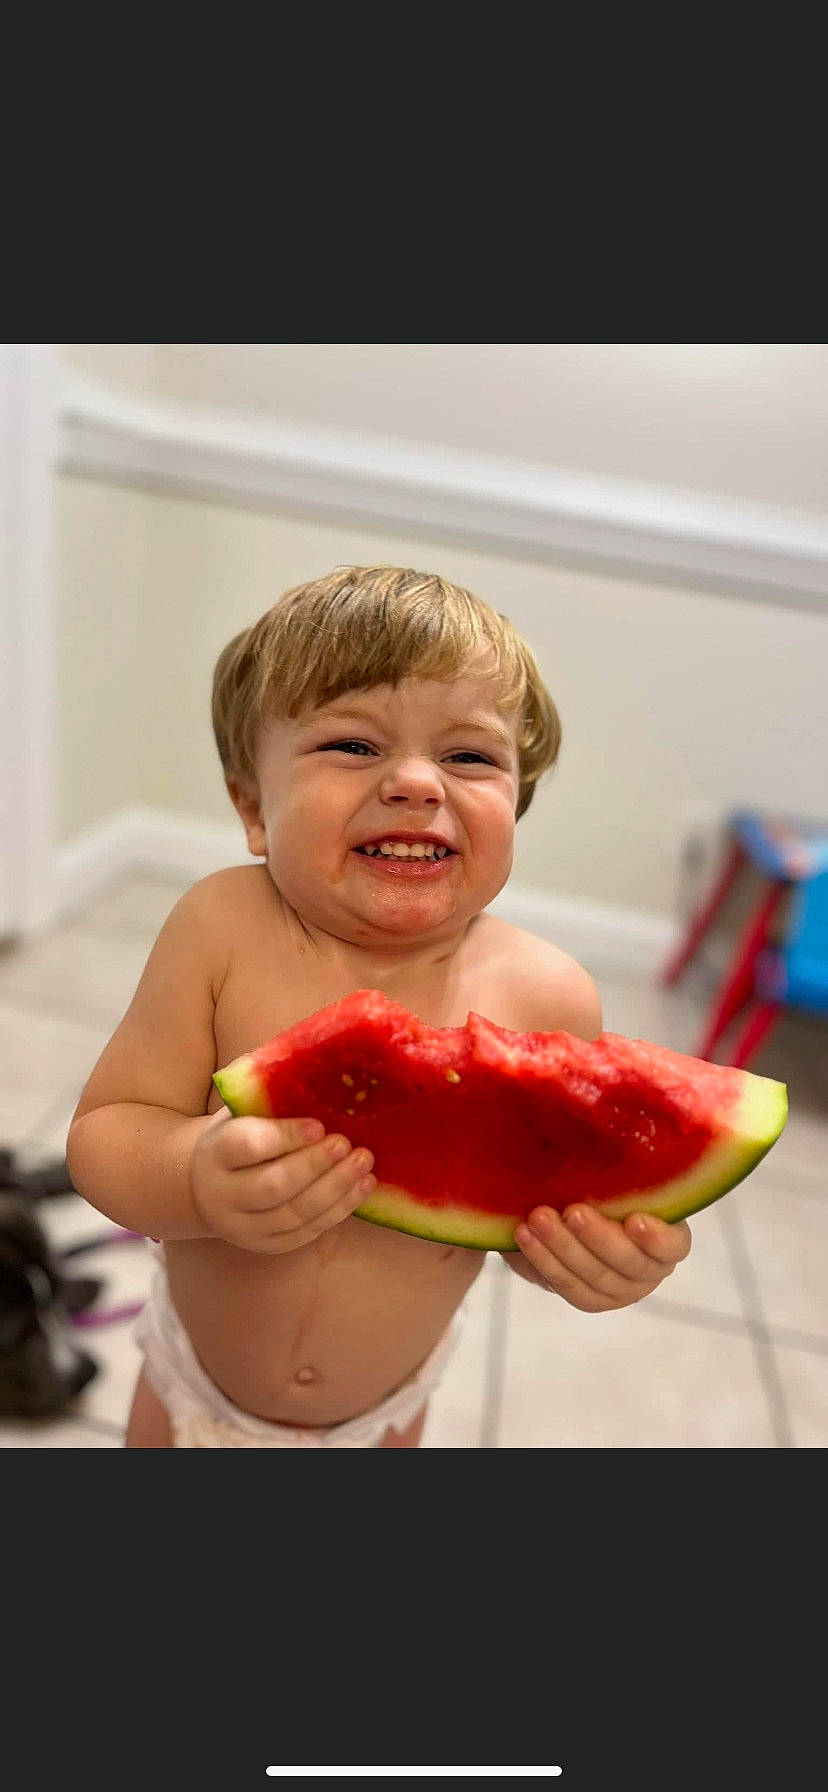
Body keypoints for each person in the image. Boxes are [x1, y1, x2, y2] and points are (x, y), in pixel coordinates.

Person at [66, 565, 691, 1448]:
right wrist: (192, 1177)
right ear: (253, 805)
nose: (414, 782)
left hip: (385, 1415)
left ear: (519, 801)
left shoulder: (548, 997)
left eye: (469, 756)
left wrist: (589, 1257)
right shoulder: (220, 928)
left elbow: (521, 1218)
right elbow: (104, 1134)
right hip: (190, 1387)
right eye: (352, 746)